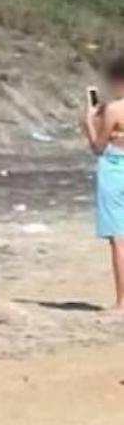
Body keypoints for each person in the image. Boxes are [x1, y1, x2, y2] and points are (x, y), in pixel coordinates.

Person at [81, 55, 124, 314]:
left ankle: (122, 301)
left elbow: (99, 146)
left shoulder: (114, 109)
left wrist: (89, 121)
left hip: (115, 167)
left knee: (119, 240)